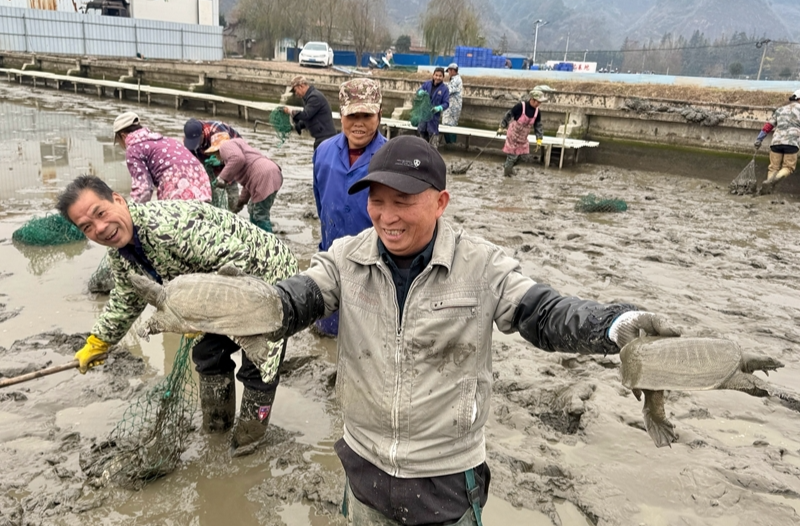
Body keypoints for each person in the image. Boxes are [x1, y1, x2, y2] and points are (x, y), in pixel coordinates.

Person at [147, 135, 682, 525]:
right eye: (376, 201)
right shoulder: (346, 258)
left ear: (441, 202)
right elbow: (297, 299)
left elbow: (544, 313)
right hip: (364, 466)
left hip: (447, 476)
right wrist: (235, 306)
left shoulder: (482, 266)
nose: (387, 216)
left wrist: (616, 323)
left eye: (403, 201)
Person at [56, 175, 298, 457]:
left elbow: (239, 259)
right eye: (87, 226)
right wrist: (100, 341)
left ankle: (248, 440)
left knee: (259, 365)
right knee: (208, 354)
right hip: (216, 294)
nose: (100, 228)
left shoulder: (167, 228)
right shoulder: (120, 255)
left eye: (101, 213)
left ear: (118, 200)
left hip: (268, 280)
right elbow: (128, 296)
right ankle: (217, 429)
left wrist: (197, 309)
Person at [310, 77, 387, 337]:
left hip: (374, 268)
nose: (359, 124)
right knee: (327, 333)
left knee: (368, 338)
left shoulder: (391, 158)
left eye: (367, 115)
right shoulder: (323, 151)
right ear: (341, 115)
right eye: (352, 115)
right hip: (332, 257)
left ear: (379, 114)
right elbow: (321, 205)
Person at [113, 112, 211, 203]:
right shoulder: (164, 139)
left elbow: (143, 190)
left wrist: (130, 211)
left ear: (123, 136)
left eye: (118, 141)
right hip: (203, 184)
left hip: (179, 187)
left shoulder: (134, 148)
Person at [205, 132, 283, 233]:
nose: (216, 157)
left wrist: (222, 178)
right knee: (252, 208)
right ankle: (256, 235)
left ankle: (269, 244)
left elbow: (238, 159)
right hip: (272, 172)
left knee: (260, 214)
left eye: (215, 153)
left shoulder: (225, 146)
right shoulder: (239, 147)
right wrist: (241, 202)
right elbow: (248, 186)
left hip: (263, 176)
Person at [183, 118, 242, 210]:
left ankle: (234, 212)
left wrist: (220, 160)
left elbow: (234, 157)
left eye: (197, 141)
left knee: (232, 193)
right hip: (207, 159)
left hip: (231, 158)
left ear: (202, 133)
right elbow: (191, 160)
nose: (195, 145)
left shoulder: (217, 131)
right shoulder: (188, 139)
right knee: (209, 191)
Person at [754, 88, 800, 195]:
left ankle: (767, 189)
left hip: (776, 143)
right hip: (792, 143)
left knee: (773, 168)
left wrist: (759, 139)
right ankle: (773, 182)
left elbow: (768, 126)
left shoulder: (780, 110)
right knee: (788, 167)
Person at [498, 89, 546, 177]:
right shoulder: (521, 106)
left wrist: (539, 139)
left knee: (524, 157)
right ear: (532, 99)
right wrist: (502, 126)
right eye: (537, 102)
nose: (538, 104)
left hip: (523, 137)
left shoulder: (537, 112)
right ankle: (507, 175)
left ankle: (508, 166)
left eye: (540, 103)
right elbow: (509, 115)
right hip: (513, 134)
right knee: (512, 156)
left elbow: (538, 126)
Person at [282, 75, 337, 150]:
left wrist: (290, 111)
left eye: (295, 90)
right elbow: (311, 117)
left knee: (321, 161)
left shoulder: (314, 97)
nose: (295, 93)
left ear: (301, 86)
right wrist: (299, 125)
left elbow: (306, 115)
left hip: (326, 139)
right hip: (323, 138)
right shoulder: (309, 97)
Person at [416, 67, 450, 149]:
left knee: (433, 145)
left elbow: (446, 103)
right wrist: (420, 92)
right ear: (433, 75)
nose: (438, 77)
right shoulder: (427, 84)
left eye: (440, 76)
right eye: (436, 75)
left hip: (433, 118)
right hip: (423, 115)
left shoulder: (444, 89)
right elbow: (419, 91)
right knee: (421, 141)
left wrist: (439, 108)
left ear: (443, 77)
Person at [441, 63, 462, 145]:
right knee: (450, 125)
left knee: (448, 125)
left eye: (449, 71)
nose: (448, 73)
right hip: (452, 106)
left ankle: (451, 144)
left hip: (453, 107)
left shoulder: (456, 80)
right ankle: (450, 143)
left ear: (453, 70)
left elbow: (448, 90)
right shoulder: (454, 79)